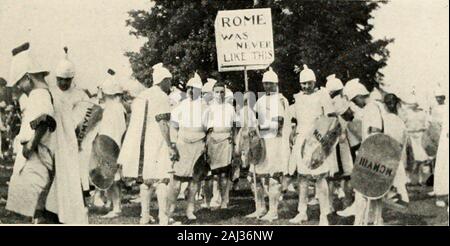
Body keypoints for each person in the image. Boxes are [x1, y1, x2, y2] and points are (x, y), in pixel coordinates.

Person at [6, 42, 87, 224]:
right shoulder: (51, 94)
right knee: (41, 212)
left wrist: (30, 145)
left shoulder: (40, 94)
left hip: (36, 161)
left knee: (29, 213)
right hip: (45, 161)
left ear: (27, 77)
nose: (19, 87)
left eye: (19, 82)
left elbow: (45, 118)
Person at [119, 63, 179, 225]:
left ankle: (144, 217)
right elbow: (162, 123)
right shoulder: (161, 96)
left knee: (146, 181)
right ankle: (163, 218)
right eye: (169, 81)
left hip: (141, 144)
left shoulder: (142, 95)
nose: (170, 85)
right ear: (163, 81)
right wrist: (170, 145)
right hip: (157, 141)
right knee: (162, 180)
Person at [289, 65, 335, 225]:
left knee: (320, 177)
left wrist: (324, 139)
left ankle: (324, 215)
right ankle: (302, 212)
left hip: (317, 141)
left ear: (314, 82)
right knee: (302, 177)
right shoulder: (298, 98)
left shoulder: (322, 95)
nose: (306, 86)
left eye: (309, 83)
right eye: (303, 83)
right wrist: (294, 133)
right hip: (302, 140)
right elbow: (295, 119)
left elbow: (330, 119)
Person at [245, 68, 290, 221]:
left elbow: (277, 125)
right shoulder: (261, 100)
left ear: (276, 83)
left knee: (273, 178)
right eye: (265, 84)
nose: (267, 87)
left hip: (275, 143)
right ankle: (260, 207)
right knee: (253, 177)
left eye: (270, 84)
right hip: (261, 143)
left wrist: (259, 126)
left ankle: (273, 210)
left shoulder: (280, 100)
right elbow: (253, 119)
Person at [51, 47, 91, 196]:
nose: (63, 83)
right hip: (55, 140)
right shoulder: (51, 93)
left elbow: (87, 118)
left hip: (74, 142)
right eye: (60, 79)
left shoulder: (80, 95)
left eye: (66, 80)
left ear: (72, 79)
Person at [167, 72, 206, 221]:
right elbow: (174, 127)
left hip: (198, 144)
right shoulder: (180, 106)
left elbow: (208, 128)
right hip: (182, 144)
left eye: (194, 88)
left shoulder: (205, 106)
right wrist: (173, 144)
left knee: (194, 181)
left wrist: (205, 145)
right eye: (189, 88)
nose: (191, 91)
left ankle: (190, 210)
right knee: (176, 182)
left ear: (200, 90)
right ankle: (170, 210)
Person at [93, 75, 127, 218]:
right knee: (113, 177)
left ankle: (117, 207)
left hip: (110, 144)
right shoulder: (118, 107)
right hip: (114, 144)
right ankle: (113, 204)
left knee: (112, 178)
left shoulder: (112, 108)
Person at [203, 81, 237, 210]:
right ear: (213, 93)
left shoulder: (229, 108)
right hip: (213, 140)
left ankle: (224, 200)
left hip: (226, 140)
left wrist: (233, 141)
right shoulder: (209, 108)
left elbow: (234, 126)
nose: (219, 95)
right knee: (214, 174)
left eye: (222, 92)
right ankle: (214, 199)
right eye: (217, 92)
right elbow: (205, 128)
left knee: (225, 173)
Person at [324, 74, 354, 211]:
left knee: (330, 175)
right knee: (345, 174)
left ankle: (329, 206)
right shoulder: (339, 101)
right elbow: (350, 116)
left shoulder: (326, 100)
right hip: (339, 140)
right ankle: (346, 204)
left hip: (330, 141)